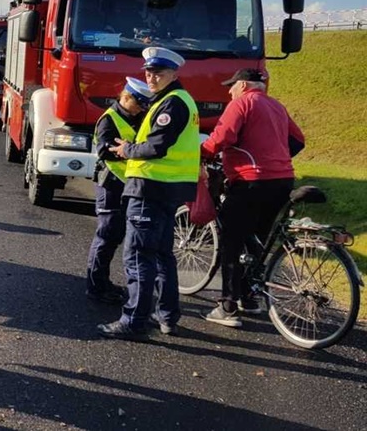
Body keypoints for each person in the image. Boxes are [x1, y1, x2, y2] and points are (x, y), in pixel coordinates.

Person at [98, 47, 200, 339]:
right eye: (149, 72)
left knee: (139, 257)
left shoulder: (171, 104)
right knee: (162, 256)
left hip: (150, 188)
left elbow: (156, 147)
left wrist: (126, 149)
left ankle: (134, 320)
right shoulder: (177, 100)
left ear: (174, 74)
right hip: (167, 189)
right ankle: (166, 316)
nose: (151, 78)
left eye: (158, 73)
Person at [201, 68, 305, 328]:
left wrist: (203, 153)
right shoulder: (276, 106)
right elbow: (298, 140)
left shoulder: (242, 103)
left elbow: (223, 137)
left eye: (232, 85)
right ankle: (249, 297)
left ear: (244, 85)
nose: (229, 90)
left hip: (251, 181)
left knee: (231, 240)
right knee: (256, 237)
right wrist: (274, 157)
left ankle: (227, 306)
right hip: (282, 180)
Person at [86, 77, 153, 304]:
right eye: (140, 104)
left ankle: (102, 283)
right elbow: (104, 151)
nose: (143, 109)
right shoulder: (109, 119)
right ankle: (96, 285)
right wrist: (129, 151)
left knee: (116, 237)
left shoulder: (138, 117)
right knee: (106, 236)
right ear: (126, 98)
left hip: (129, 185)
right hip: (111, 185)